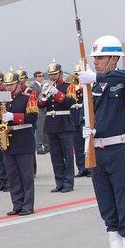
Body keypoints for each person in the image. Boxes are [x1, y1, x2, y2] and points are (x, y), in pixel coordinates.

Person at [78, 35, 125, 248]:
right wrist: (85, 127)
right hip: (98, 152)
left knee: (124, 205)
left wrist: (98, 77)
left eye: (101, 58)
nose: (97, 63)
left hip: (119, 150)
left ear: (114, 58)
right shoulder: (90, 86)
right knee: (107, 208)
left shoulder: (122, 82)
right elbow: (86, 114)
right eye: (95, 59)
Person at [0, 68, 39, 216]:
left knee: (26, 176)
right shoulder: (3, 97)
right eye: (6, 85)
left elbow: (32, 117)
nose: (8, 87)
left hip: (23, 139)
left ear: (18, 83)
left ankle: (28, 205)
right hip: (9, 140)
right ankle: (17, 204)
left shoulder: (28, 95)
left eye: (11, 85)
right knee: (13, 175)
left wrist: (13, 117)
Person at [38, 60, 77, 193]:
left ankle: (68, 183)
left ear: (60, 73)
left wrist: (57, 93)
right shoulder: (48, 87)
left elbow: (69, 103)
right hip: (51, 124)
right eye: (51, 74)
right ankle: (59, 182)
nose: (52, 77)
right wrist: (43, 97)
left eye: (55, 74)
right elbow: (41, 106)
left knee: (67, 155)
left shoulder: (69, 86)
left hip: (64, 122)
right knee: (55, 156)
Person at [30, 70, 49, 154]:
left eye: (42, 76)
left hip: (44, 110)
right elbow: (35, 99)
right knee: (39, 130)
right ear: (35, 78)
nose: (41, 77)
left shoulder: (42, 86)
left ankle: (47, 146)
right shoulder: (34, 87)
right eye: (39, 76)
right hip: (38, 110)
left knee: (45, 129)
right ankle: (39, 147)